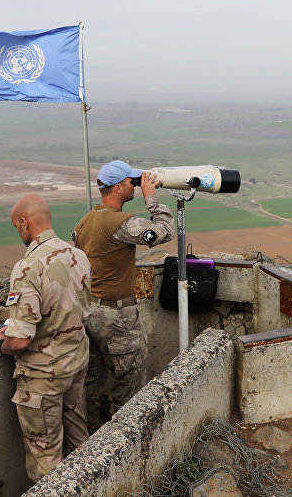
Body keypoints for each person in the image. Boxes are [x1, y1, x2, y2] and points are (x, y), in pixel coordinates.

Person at [0, 194, 93, 482]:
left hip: (44, 374)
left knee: (45, 457)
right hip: (76, 360)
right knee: (79, 439)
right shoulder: (76, 254)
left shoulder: (28, 267)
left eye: (17, 226)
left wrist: (2, 343)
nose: (19, 232)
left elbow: (21, 341)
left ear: (24, 223)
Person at [73, 160, 174, 432]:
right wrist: (151, 198)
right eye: (132, 182)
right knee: (130, 381)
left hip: (89, 312)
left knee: (92, 382)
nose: (136, 186)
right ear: (118, 188)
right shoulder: (122, 223)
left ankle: (94, 439)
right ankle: (125, 437)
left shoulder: (84, 222)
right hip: (117, 317)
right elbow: (165, 231)